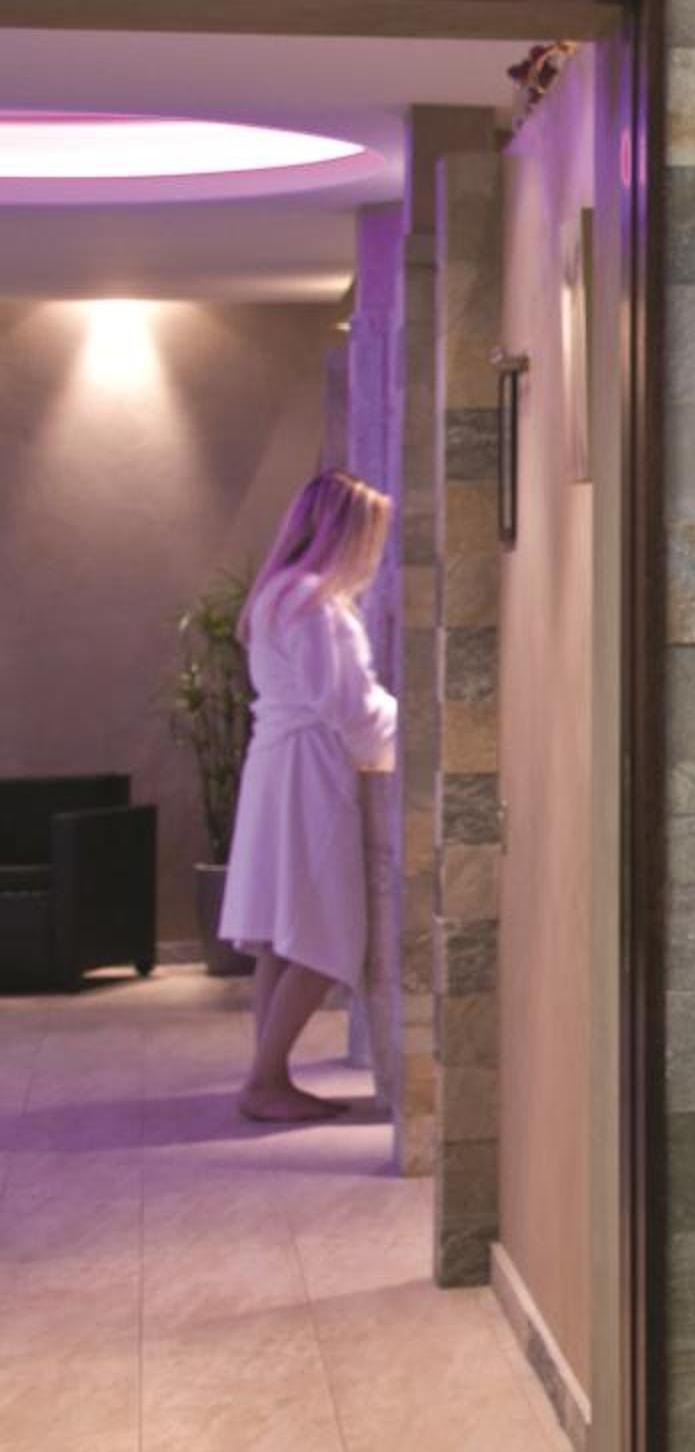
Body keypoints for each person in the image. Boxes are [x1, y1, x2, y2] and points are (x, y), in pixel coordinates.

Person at [219, 470, 398, 1122]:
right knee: (324, 930)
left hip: (276, 767)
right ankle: (264, 1081)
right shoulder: (317, 604)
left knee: (281, 933)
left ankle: (267, 1075)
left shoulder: (276, 595)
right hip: (308, 775)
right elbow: (346, 706)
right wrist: (412, 722)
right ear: (344, 531)